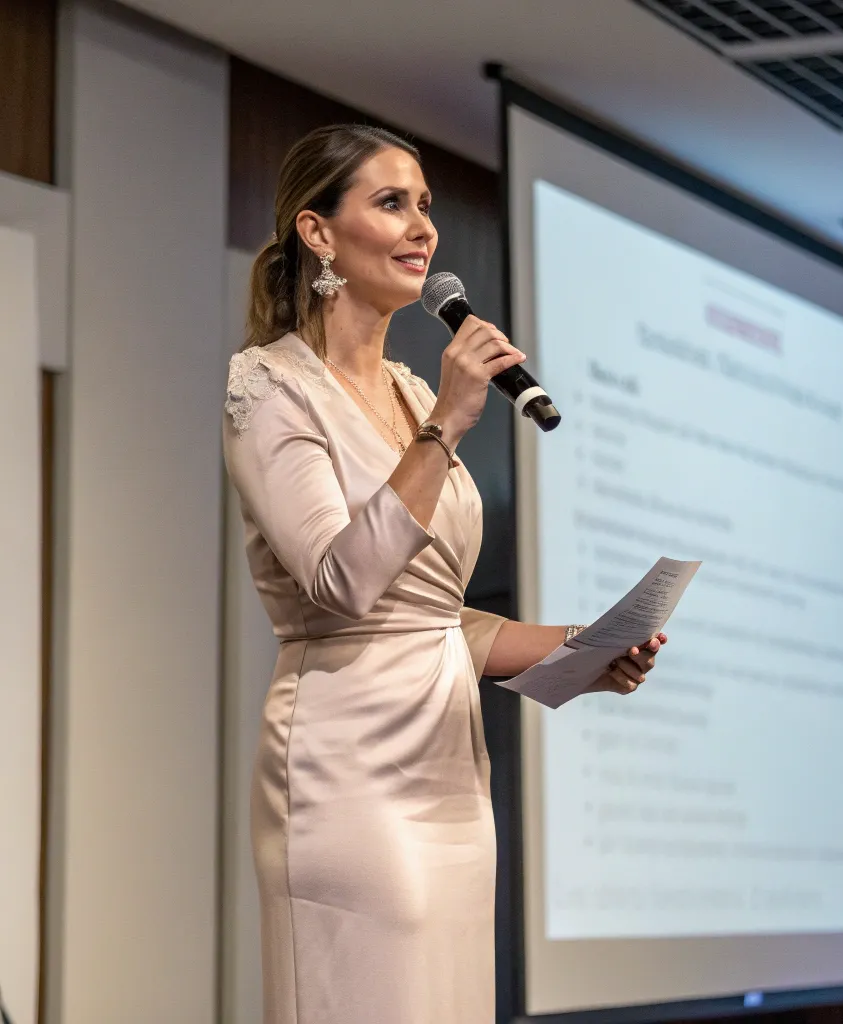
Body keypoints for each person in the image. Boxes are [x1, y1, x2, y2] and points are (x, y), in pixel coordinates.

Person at [223, 123, 667, 1024]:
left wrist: (583, 649)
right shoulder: (271, 389)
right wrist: (449, 428)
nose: (423, 227)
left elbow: (435, 617)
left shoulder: (412, 391)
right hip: (347, 773)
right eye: (392, 203)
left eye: (426, 205)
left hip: (450, 774)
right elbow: (343, 586)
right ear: (318, 233)